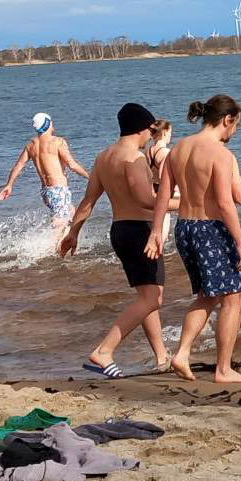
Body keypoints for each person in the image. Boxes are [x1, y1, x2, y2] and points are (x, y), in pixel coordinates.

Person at [143, 94, 241, 384]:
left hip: (185, 228)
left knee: (207, 295)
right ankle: (224, 369)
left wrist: (156, 232)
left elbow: (163, 197)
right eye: (235, 125)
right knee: (233, 298)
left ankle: (181, 354)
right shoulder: (220, 154)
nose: (234, 132)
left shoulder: (178, 149)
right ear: (227, 120)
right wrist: (240, 243)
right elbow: (226, 203)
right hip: (211, 229)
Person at [59, 103, 172, 378]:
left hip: (120, 230)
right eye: (150, 130)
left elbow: (88, 201)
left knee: (147, 296)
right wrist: (187, 202)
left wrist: (74, 232)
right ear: (141, 129)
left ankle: (161, 356)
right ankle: (104, 351)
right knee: (152, 298)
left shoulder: (103, 158)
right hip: (139, 230)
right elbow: (146, 200)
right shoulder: (132, 158)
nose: (150, 136)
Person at [0, 111, 89, 242]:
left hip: (46, 193)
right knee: (59, 223)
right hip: (59, 190)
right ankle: (51, 250)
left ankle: (66, 243)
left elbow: (19, 165)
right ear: (48, 124)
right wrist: (90, 176)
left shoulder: (31, 145)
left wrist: (9, 184)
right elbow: (72, 165)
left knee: (72, 212)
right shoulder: (58, 142)